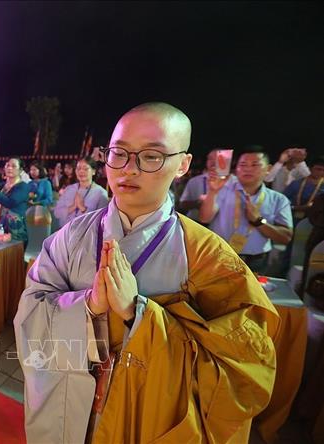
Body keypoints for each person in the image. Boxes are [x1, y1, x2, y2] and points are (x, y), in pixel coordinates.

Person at [15, 102, 279, 443]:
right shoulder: (69, 238)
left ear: (183, 164)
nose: (129, 169)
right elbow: (29, 313)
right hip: (69, 406)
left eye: (151, 156)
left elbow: (246, 367)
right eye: (119, 153)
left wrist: (137, 315)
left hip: (146, 418)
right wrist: (88, 306)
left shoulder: (208, 255)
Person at [200, 145, 293, 274]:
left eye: (255, 165)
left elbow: (285, 237)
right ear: (236, 169)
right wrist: (212, 192)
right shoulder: (220, 190)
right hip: (219, 256)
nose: (248, 169)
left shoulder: (279, 200)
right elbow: (205, 218)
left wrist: (259, 221)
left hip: (256, 261)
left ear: (268, 169)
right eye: (243, 165)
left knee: (251, 294)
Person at [54, 157, 109, 228]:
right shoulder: (69, 189)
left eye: (85, 169)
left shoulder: (101, 193)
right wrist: (73, 207)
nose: (81, 171)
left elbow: (102, 221)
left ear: (93, 171)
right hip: (64, 232)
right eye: (78, 168)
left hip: (87, 235)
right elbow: (57, 213)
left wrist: (83, 208)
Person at [0, 157, 30, 245]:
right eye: (7, 165)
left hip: (15, 231)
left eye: (14, 166)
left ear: (20, 170)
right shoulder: (3, 186)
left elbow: (10, 202)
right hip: (0, 228)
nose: (9, 168)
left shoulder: (23, 186)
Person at [177, 149, 218, 221]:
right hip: (196, 223)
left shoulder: (233, 183)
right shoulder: (194, 181)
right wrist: (197, 203)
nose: (213, 162)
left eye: (218, 158)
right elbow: (182, 205)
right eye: (210, 158)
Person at [283, 155, 324, 223]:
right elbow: (282, 202)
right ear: (310, 168)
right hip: (290, 218)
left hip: (314, 221)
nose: (321, 172)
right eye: (318, 169)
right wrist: (295, 208)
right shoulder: (296, 184)